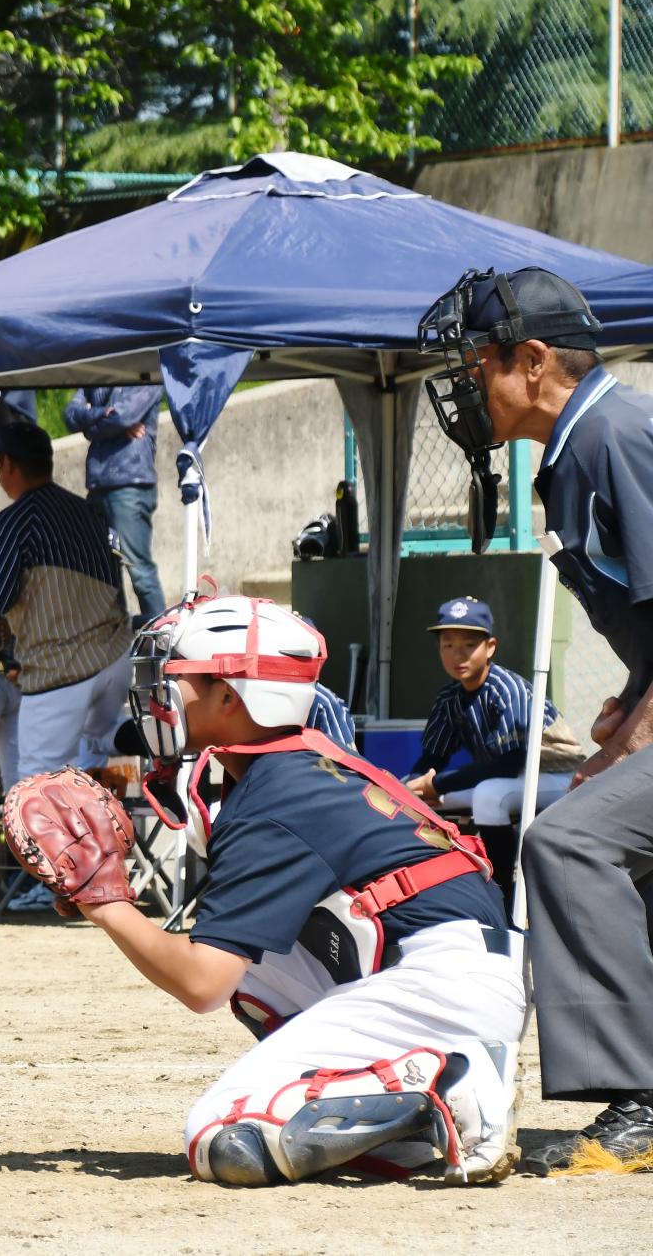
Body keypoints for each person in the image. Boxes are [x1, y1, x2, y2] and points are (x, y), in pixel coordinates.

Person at [64, 594, 523, 1185]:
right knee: (253, 973)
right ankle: (412, 1114)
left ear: (231, 696)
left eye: (174, 679)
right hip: (458, 971)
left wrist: (105, 904)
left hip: (440, 984)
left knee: (220, 1133)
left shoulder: (273, 795)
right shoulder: (300, 761)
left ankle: (445, 1080)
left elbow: (201, 983)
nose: (158, 696)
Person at [418, 265, 653, 1163]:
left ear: (534, 360)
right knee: (616, 843)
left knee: (569, 840)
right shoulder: (580, 448)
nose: (468, 383)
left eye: (479, 362)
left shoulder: (614, 436)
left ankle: (640, 1102)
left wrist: (626, 747)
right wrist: (631, 707)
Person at [0, 419, 132, 803]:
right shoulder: (91, 514)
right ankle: (150, 737)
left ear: (7, 464)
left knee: (31, 794)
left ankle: (44, 859)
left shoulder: (15, 521)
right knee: (93, 751)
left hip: (57, 671)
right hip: (111, 660)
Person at [403, 596, 578, 908]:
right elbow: (433, 758)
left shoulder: (507, 688)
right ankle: (436, 892)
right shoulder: (450, 697)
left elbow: (510, 763)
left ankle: (502, 897)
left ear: (490, 647)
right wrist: (415, 785)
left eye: (469, 644)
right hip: (508, 780)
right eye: (448, 645)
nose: (458, 654)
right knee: (406, 795)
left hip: (558, 778)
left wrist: (437, 785)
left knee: (489, 795)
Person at [63, 385, 166, 625]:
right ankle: (116, 639)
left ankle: (162, 637)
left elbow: (122, 417)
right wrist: (102, 414)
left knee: (138, 569)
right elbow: (70, 415)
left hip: (130, 482)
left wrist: (90, 424)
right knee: (101, 571)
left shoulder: (145, 375)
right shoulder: (97, 376)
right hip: (98, 484)